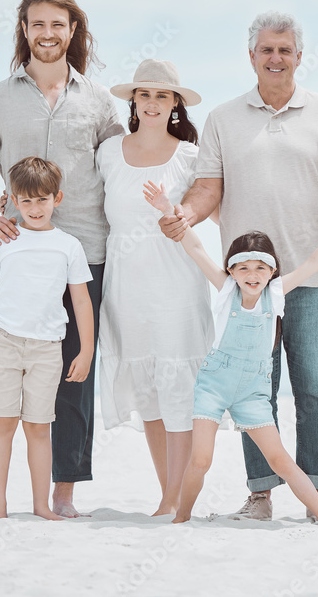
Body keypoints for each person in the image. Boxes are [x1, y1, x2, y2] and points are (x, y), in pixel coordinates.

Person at [159, 11, 318, 521]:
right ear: (251, 56)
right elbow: (208, 188)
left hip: (310, 276)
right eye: (266, 50)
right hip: (247, 284)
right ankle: (261, 493)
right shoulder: (224, 118)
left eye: (285, 50)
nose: (276, 58)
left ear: (299, 55)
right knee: (257, 386)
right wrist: (185, 214)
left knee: (316, 385)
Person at [0, 0, 124, 518]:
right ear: (24, 29)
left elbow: (122, 169)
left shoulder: (101, 101)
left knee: (73, 376)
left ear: (72, 30)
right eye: (37, 24)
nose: (47, 34)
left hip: (86, 253)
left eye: (57, 25)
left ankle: (62, 494)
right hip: (16, 254)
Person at [144, 182, 318, 525]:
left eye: (260, 267)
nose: (252, 275)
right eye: (243, 267)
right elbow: (195, 246)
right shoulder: (224, 290)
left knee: (281, 461)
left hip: (253, 392)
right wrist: (166, 208)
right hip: (214, 385)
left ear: (272, 271)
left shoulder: (276, 293)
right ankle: (181, 518)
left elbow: (315, 260)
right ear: (231, 270)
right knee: (201, 459)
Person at [96, 60, 215, 516]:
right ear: (133, 101)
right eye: (144, 94)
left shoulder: (190, 155)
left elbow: (207, 206)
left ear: (175, 105)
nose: (152, 103)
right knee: (147, 391)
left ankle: (175, 498)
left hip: (176, 287)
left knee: (178, 390)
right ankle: (166, 494)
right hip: (125, 288)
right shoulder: (108, 151)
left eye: (162, 96)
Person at [0, 157, 95, 519]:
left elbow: (81, 301)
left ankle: (41, 506)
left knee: (39, 428)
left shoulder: (69, 245)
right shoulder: (1, 240)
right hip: (3, 341)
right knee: (2, 423)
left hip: (47, 347)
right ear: (12, 200)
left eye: (42, 200)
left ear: (58, 198)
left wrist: (86, 350)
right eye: (26, 200)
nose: (34, 208)